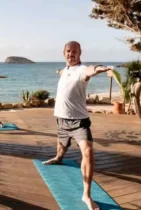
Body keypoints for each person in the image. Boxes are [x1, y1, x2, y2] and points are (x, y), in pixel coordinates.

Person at [42, 41, 113, 210]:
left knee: (87, 152)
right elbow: (63, 71)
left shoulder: (82, 70)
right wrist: (59, 71)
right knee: (62, 146)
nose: (71, 54)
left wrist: (100, 68)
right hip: (60, 118)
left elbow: (90, 70)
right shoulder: (65, 70)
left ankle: (86, 195)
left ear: (80, 53)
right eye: (68, 51)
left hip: (79, 121)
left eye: (74, 51)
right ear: (63, 53)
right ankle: (58, 159)